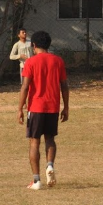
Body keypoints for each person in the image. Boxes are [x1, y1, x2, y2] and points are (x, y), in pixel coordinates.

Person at [17, 31, 69, 190]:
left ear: (33, 45)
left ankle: (36, 180)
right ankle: (50, 165)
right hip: (52, 107)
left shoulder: (31, 63)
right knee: (50, 139)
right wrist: (66, 107)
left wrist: (20, 108)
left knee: (34, 142)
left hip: (36, 107)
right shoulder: (58, 61)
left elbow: (25, 86)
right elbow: (64, 86)